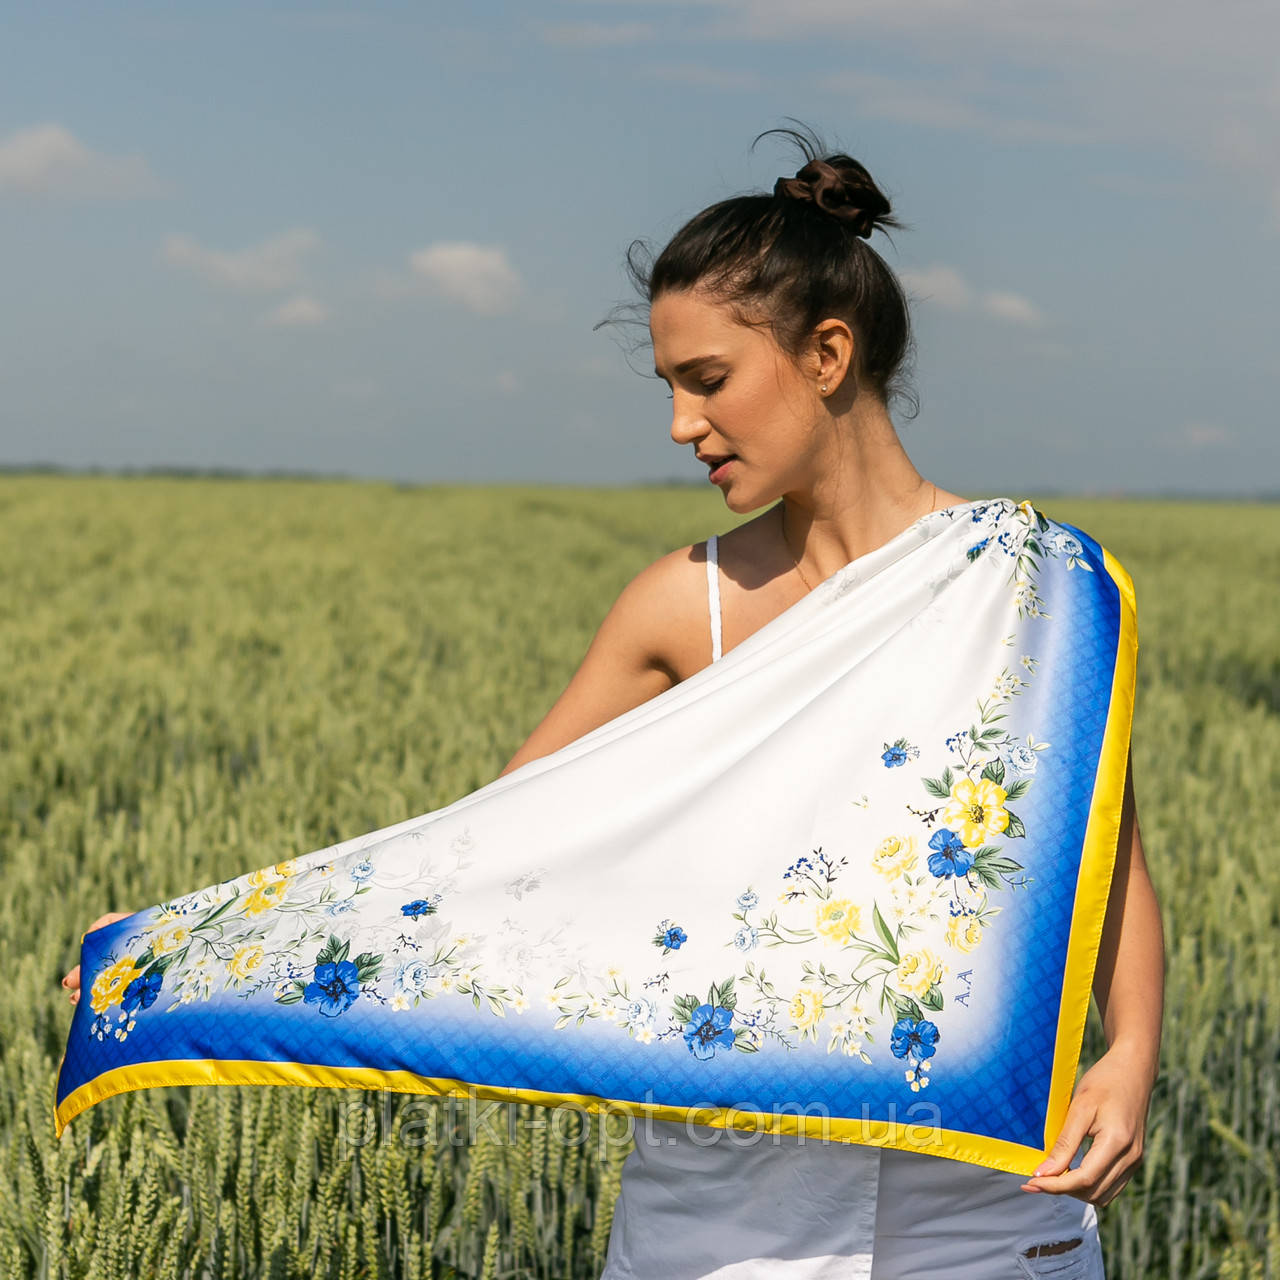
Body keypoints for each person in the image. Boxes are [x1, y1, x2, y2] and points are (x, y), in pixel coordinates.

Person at [62, 122, 1164, 1277]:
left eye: (708, 380)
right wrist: (188, 946)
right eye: (670, 386)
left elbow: (1104, 851)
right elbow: (473, 858)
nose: (681, 424)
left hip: (983, 1209)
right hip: (721, 1214)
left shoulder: (1025, 588)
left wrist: (1128, 1049)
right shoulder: (682, 606)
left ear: (827, 353)